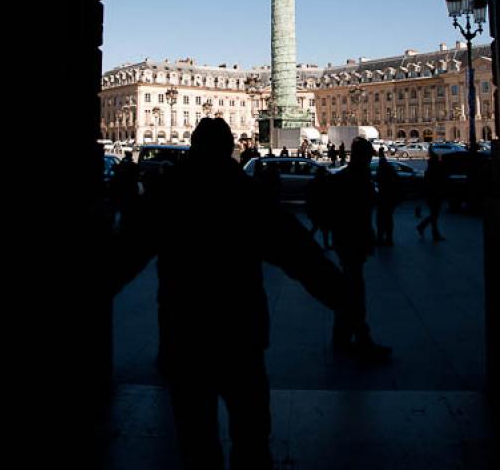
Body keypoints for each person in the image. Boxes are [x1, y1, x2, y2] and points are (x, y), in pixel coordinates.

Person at [113, 117, 360, 470]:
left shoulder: (169, 194)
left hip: (185, 331)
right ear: (229, 148)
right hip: (241, 332)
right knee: (251, 435)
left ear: (195, 147)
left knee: (196, 439)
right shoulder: (244, 194)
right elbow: (295, 249)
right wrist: (340, 295)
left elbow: (126, 252)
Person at [329, 137, 392, 360]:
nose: (370, 158)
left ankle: (341, 337)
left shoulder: (347, 176)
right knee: (355, 292)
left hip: (348, 240)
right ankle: (361, 339)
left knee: (350, 290)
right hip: (351, 241)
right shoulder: (355, 178)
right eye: (368, 154)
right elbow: (357, 211)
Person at [417, 150, 447, 241]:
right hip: (435, 195)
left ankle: (433, 233)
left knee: (434, 215)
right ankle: (424, 227)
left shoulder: (429, 171)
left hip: (431, 195)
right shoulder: (435, 171)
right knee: (435, 215)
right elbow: (438, 182)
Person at [376, 147, 400, 246]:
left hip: (384, 197)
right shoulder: (389, 168)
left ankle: (382, 238)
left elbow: (378, 179)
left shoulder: (382, 169)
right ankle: (388, 239)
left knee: (381, 219)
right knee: (388, 219)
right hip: (389, 197)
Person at [305, 166, 333, 250]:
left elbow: (308, 196)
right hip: (323, 208)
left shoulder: (312, 182)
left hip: (315, 208)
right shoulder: (326, 182)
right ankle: (326, 244)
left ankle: (307, 242)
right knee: (324, 228)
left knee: (316, 226)